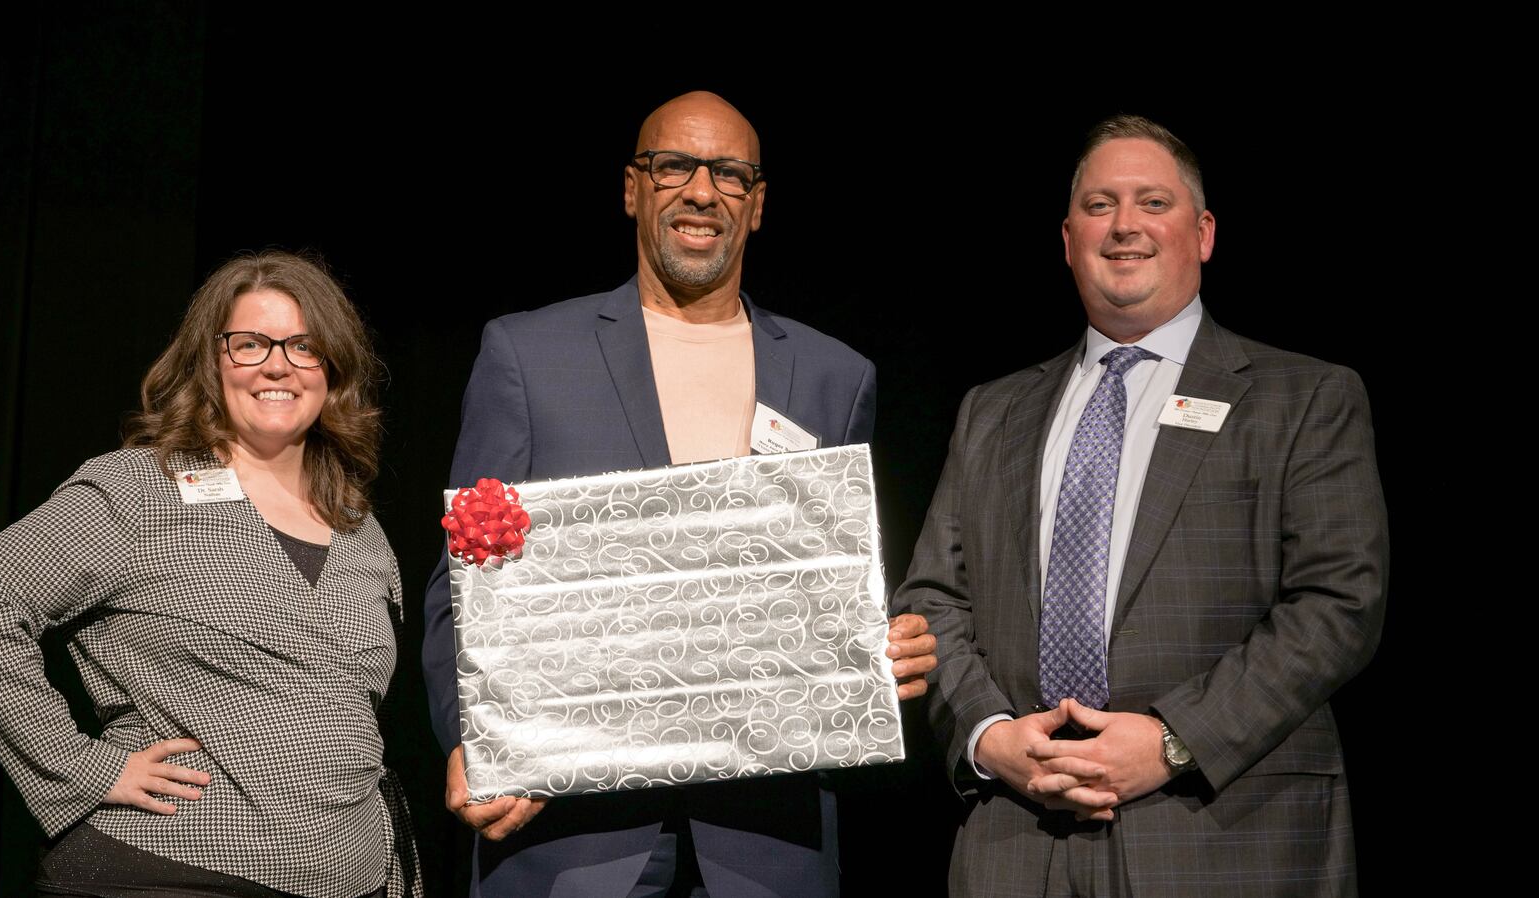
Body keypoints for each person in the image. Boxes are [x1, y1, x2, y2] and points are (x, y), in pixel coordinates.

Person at [422, 91, 936, 898]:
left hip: (767, 840)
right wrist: (473, 737)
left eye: (729, 174)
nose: (701, 191)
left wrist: (886, 643)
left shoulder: (835, 375)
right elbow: (462, 582)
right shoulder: (528, 354)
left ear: (756, 204)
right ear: (633, 188)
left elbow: (833, 585)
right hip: (573, 832)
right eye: (674, 166)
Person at [894, 115, 1387, 897]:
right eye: (1099, 205)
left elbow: (1338, 604)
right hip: (1017, 844)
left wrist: (1172, 742)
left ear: (1205, 233)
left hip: (1224, 835)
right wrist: (991, 737)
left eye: (1152, 202)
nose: (1124, 225)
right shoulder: (991, 411)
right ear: (1066, 239)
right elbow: (932, 602)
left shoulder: (1304, 397)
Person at [0, 251, 420, 898]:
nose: (277, 364)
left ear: (332, 369)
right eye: (250, 344)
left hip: (349, 873)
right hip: (174, 868)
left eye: (303, 346)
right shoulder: (141, 489)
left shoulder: (358, 528)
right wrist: (80, 766)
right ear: (210, 361)